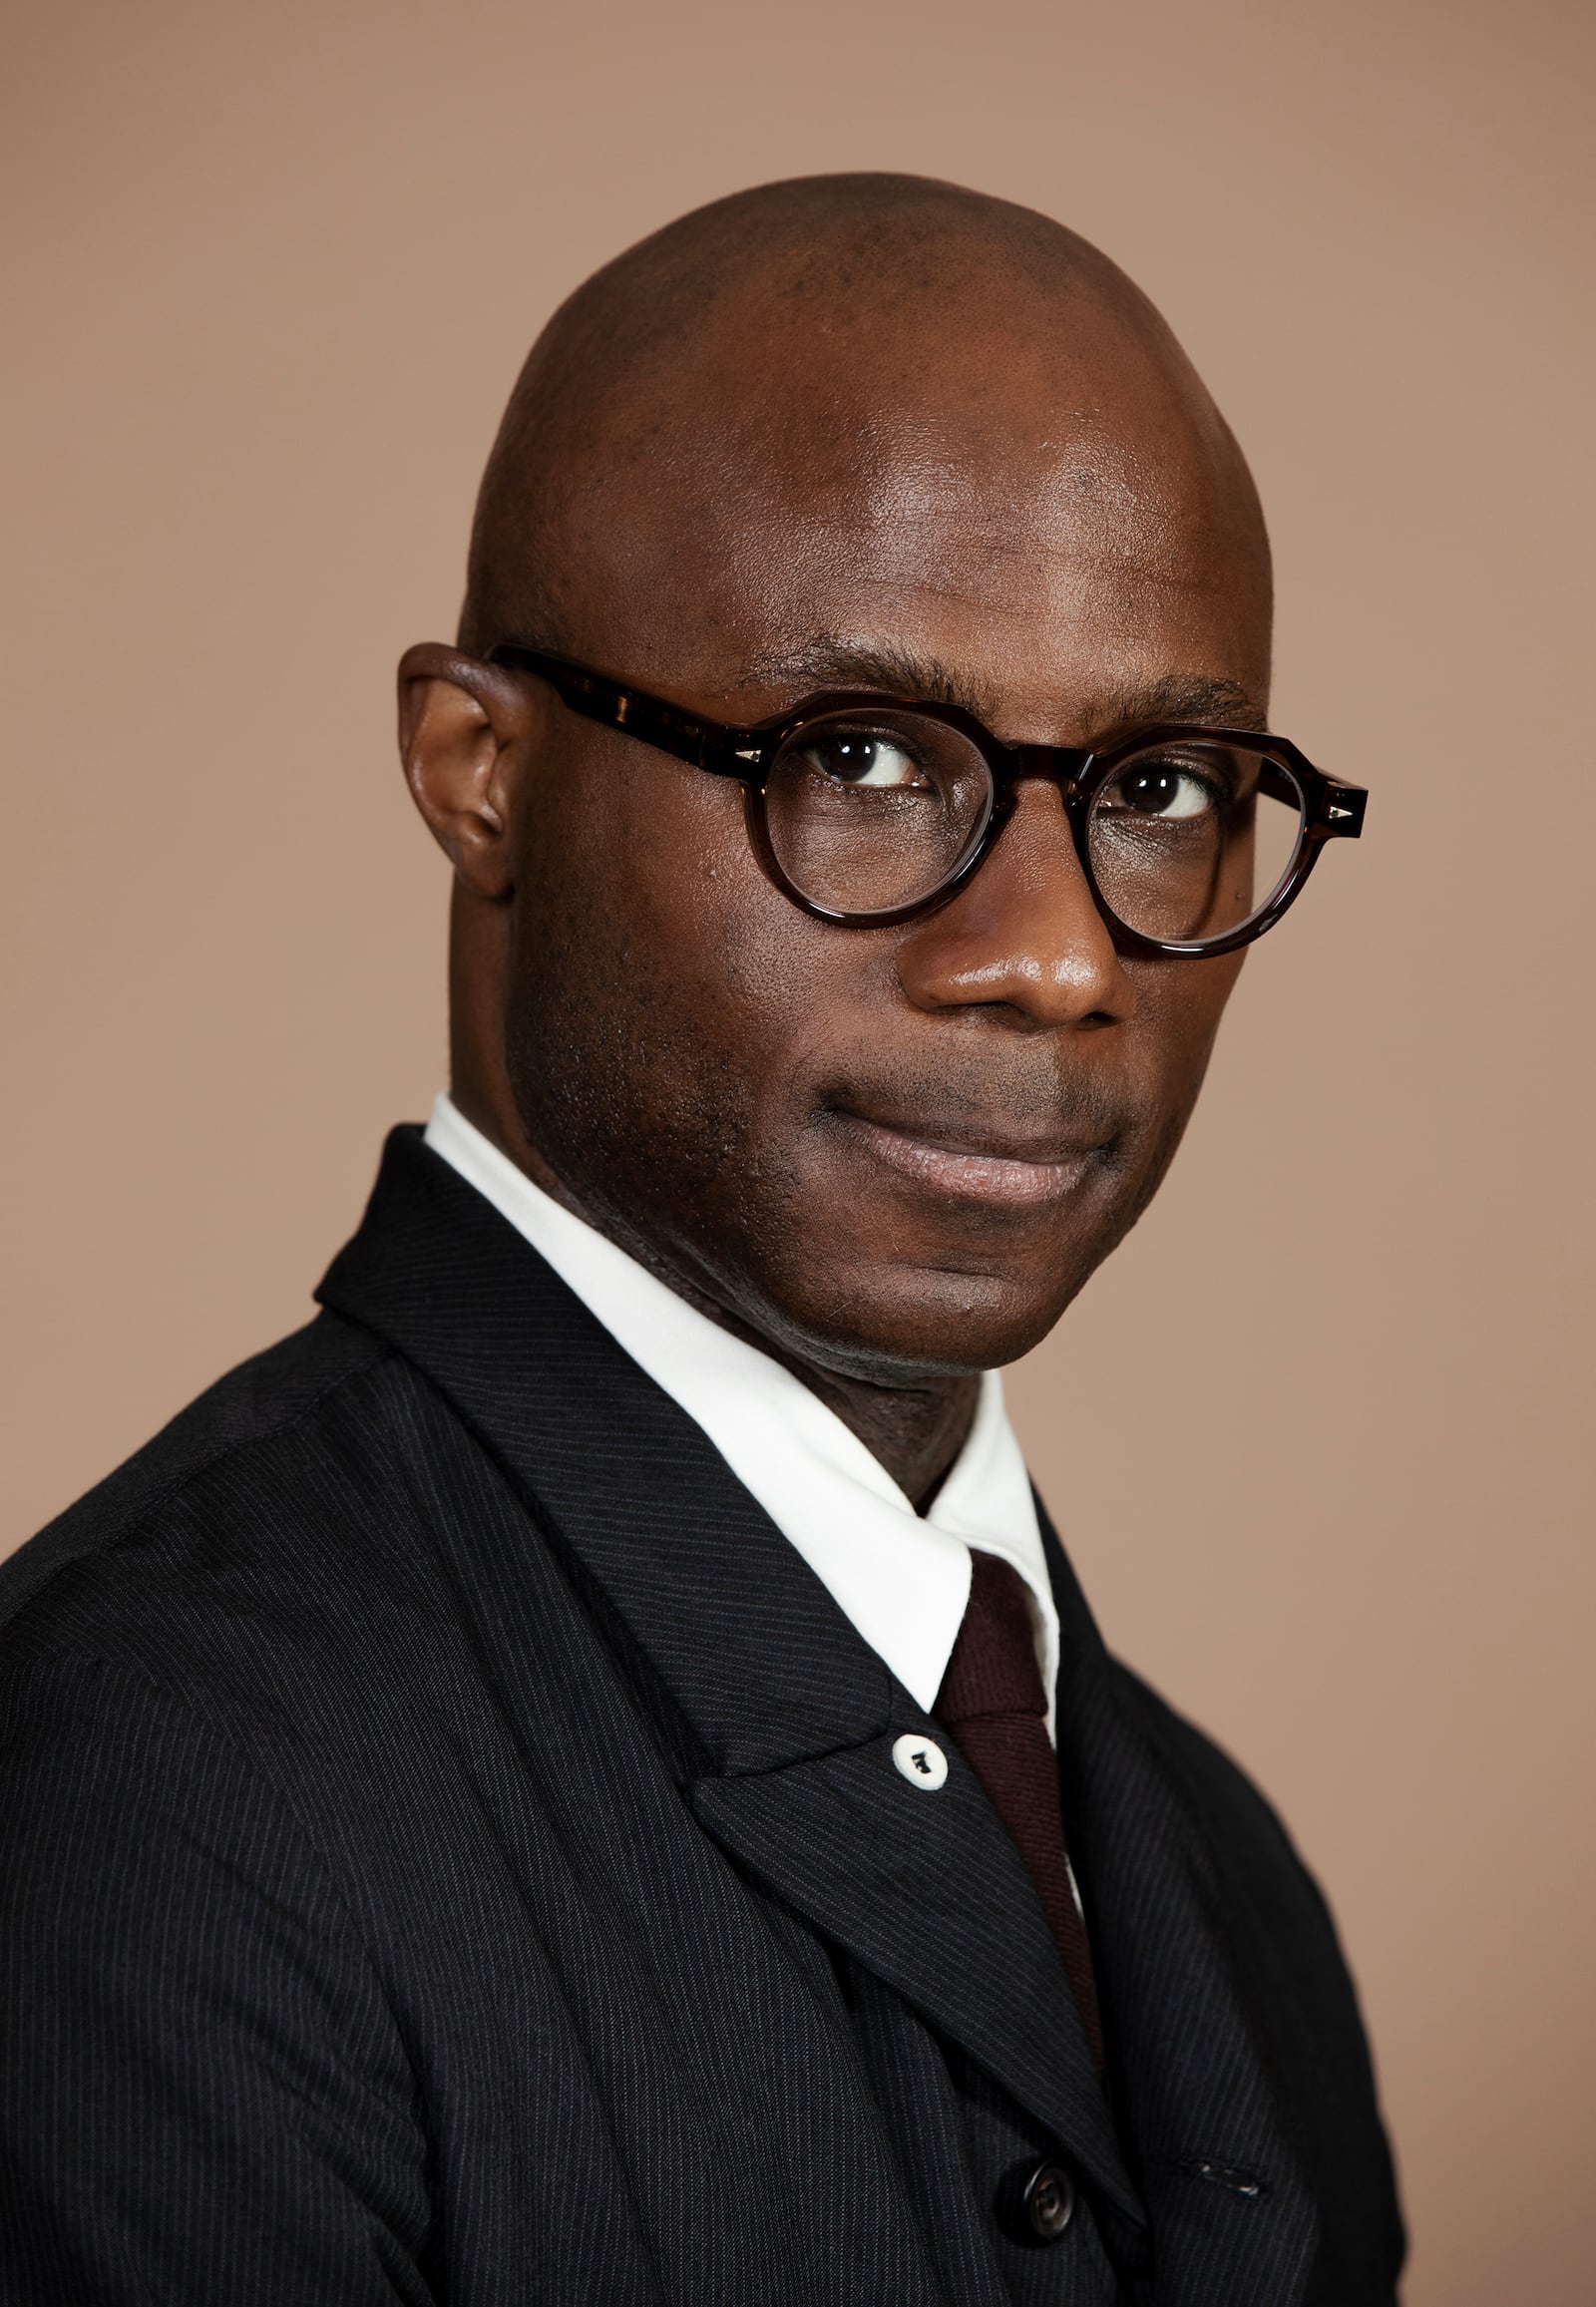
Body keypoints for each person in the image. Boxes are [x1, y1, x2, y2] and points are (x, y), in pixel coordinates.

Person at [0, 174, 1402, 2305]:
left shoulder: (1217, 1877)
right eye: (855, 753)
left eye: (1158, 786)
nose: (1046, 958)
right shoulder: (131, 1802)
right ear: (479, 769)